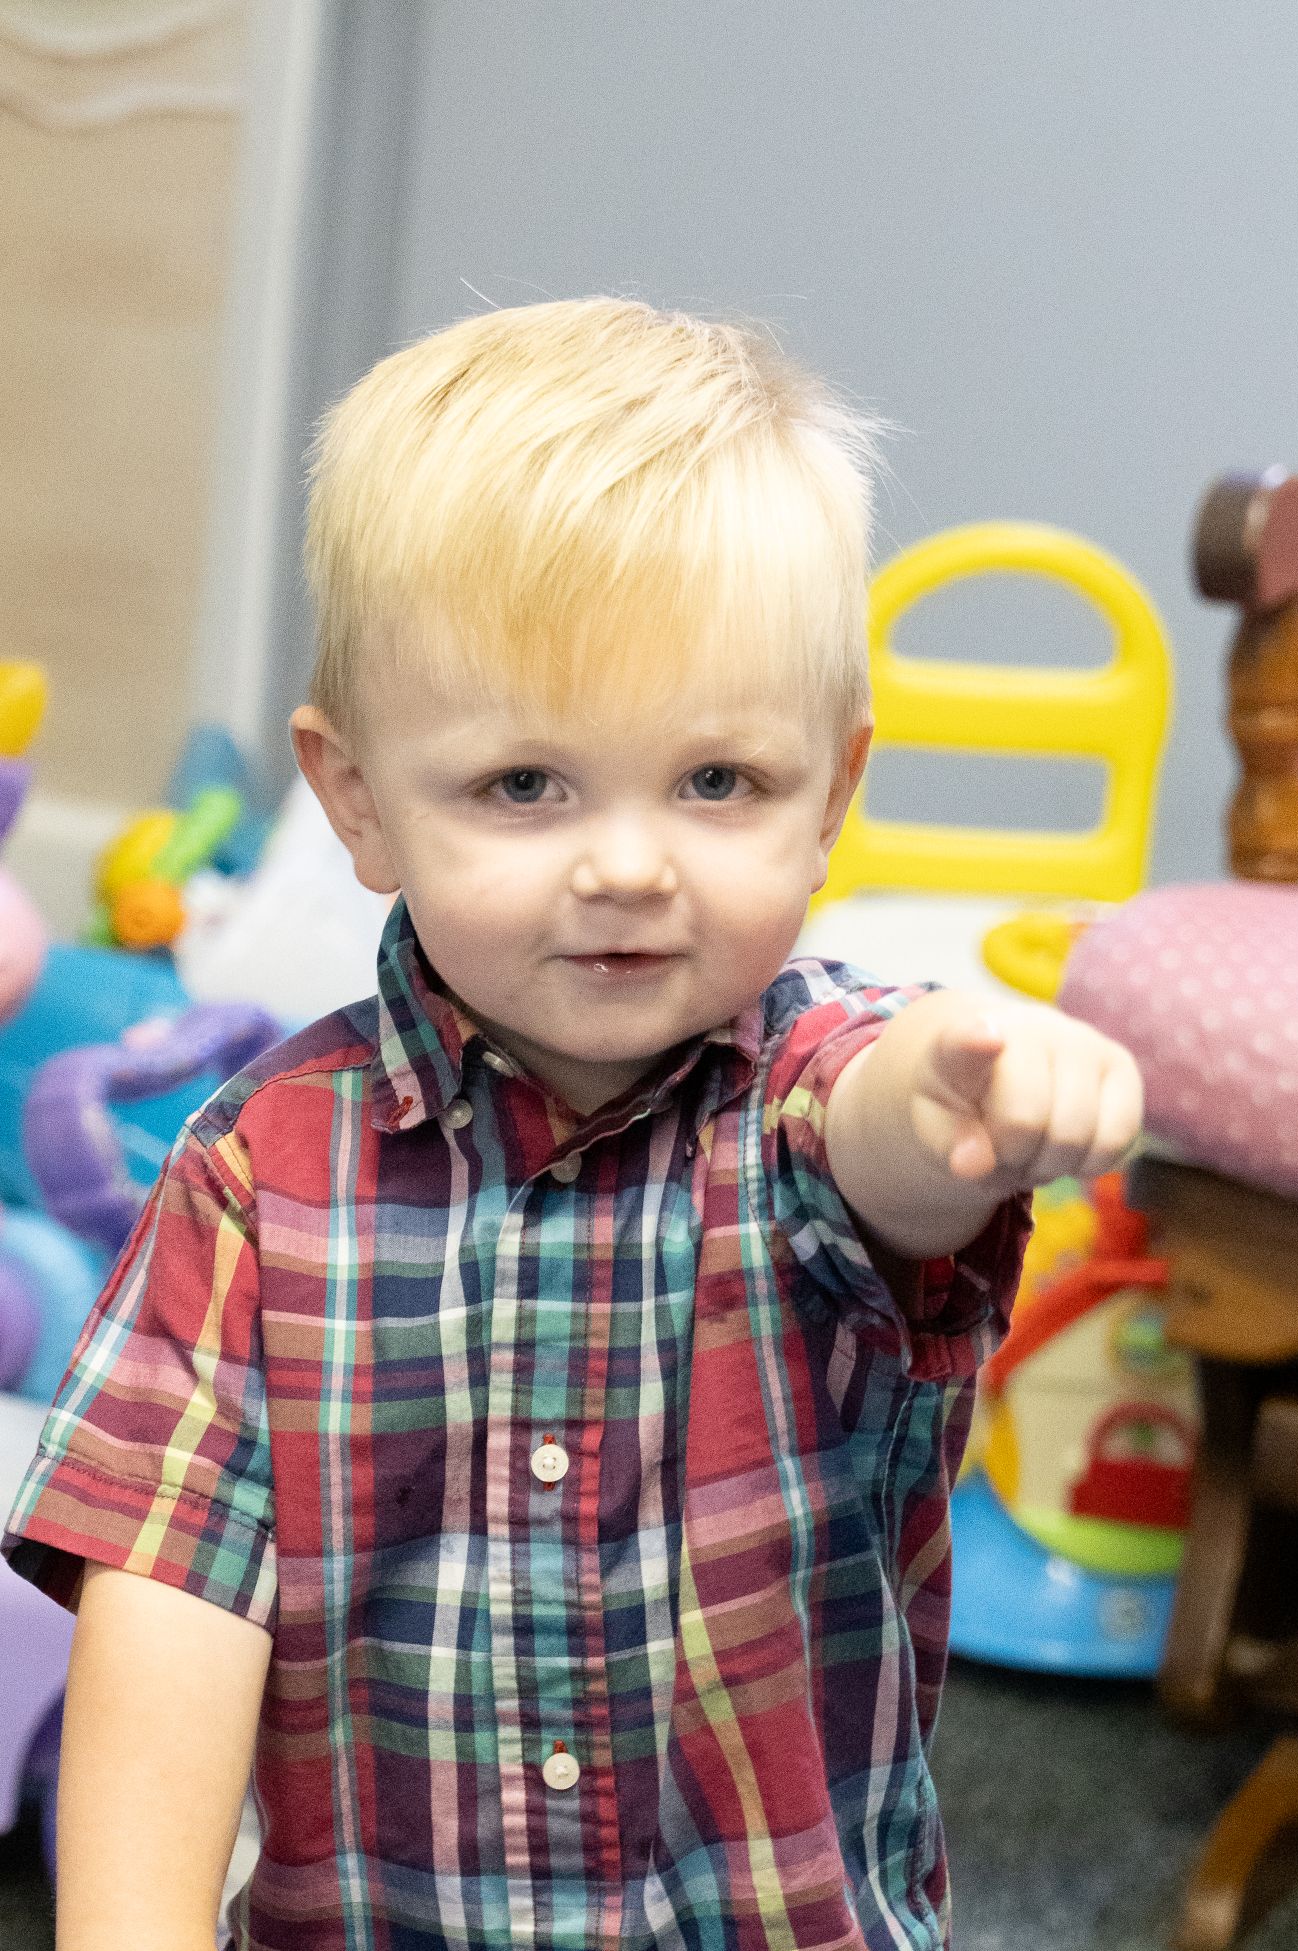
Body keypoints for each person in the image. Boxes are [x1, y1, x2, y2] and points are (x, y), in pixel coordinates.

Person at [2, 298, 1142, 1951]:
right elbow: (170, 1602)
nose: (627, 864)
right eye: (527, 786)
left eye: (717, 783)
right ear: (359, 803)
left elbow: (883, 1146)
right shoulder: (255, 1179)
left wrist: (964, 1082)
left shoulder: (814, 1099)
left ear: (833, 791)